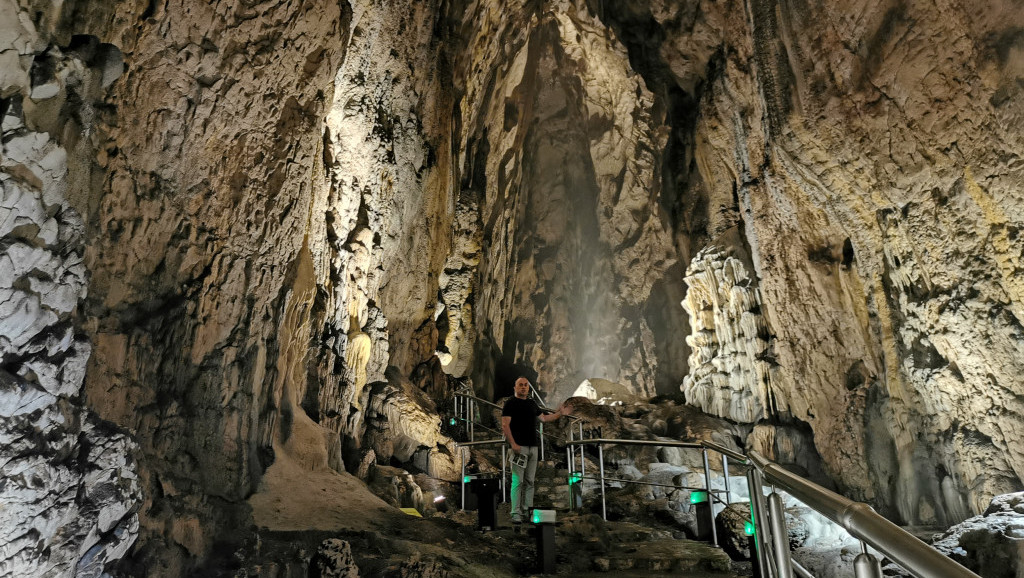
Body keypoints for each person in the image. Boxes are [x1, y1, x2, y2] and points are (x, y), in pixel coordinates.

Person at [501, 376, 570, 524]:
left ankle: (528, 511)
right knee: (517, 481)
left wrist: (560, 413)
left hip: (533, 447)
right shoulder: (510, 403)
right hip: (519, 447)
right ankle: (515, 513)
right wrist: (513, 444)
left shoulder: (532, 403)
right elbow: (505, 425)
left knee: (530, 481)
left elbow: (543, 419)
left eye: (526, 385)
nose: (524, 387)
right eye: (521, 385)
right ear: (515, 387)